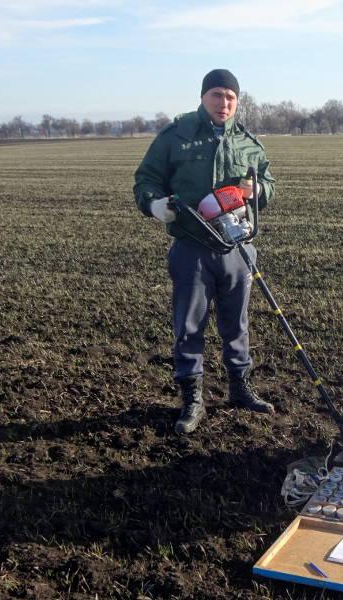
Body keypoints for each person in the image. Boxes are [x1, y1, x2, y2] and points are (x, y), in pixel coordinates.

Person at [133, 69, 276, 434]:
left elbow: (270, 185)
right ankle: (192, 397)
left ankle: (240, 387)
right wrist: (153, 204)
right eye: (216, 94)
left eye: (230, 96)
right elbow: (146, 179)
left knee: (237, 323)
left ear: (237, 101)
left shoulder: (248, 144)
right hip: (191, 247)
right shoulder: (174, 138)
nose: (223, 102)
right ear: (202, 97)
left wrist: (257, 193)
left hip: (237, 247)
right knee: (189, 325)